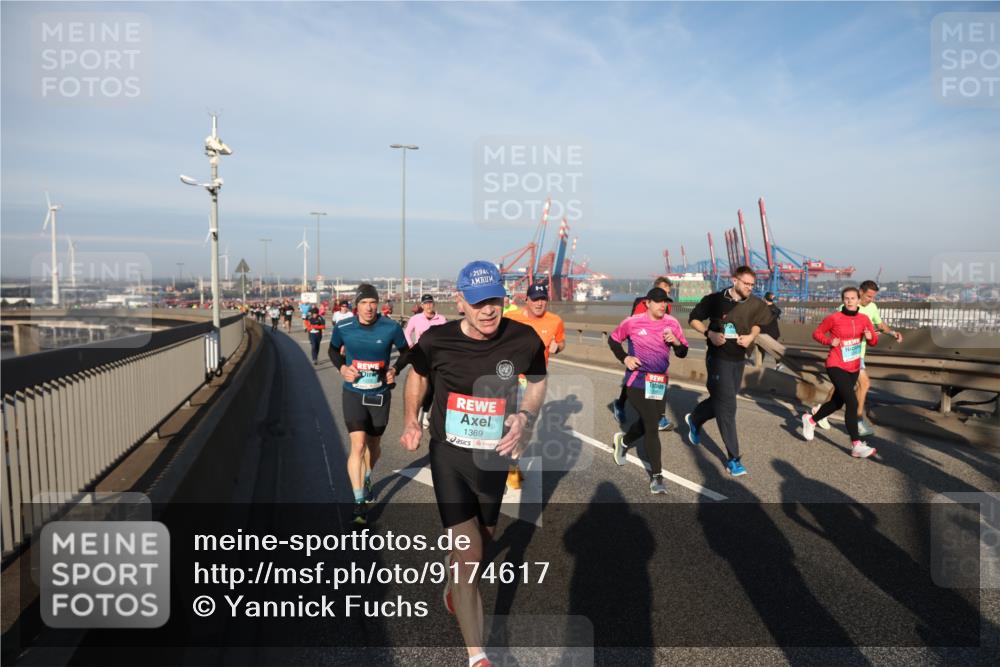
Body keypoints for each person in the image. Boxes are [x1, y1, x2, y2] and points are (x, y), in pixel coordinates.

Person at [400, 260, 546, 667]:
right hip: (449, 454)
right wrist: (411, 418)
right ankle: (477, 655)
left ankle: (455, 585)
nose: (488, 310)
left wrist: (525, 417)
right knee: (470, 554)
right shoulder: (436, 341)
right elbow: (419, 376)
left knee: (483, 540)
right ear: (460, 301)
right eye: (479, 302)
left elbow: (537, 381)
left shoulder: (524, 339)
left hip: (493, 459)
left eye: (495, 300)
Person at [328, 284, 410, 526]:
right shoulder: (344, 327)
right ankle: (359, 502)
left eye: (373, 302)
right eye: (364, 302)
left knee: (374, 446)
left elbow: (407, 352)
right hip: (353, 393)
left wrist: (395, 368)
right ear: (356, 306)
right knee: (358, 444)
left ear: (378, 304)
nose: (369, 307)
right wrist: (342, 368)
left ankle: (366, 476)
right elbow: (333, 350)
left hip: (380, 395)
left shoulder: (391, 327)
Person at [685, 266, 774, 477]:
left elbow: (759, 324)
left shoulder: (754, 303)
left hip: (738, 359)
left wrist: (751, 337)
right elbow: (693, 318)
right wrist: (709, 333)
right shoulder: (715, 300)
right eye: (746, 283)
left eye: (753, 285)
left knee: (722, 401)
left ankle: (696, 419)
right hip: (718, 358)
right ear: (735, 280)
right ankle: (733, 458)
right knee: (728, 407)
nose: (750, 288)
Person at [608, 287, 688, 493]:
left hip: (658, 382)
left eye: (666, 301)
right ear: (648, 303)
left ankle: (623, 441)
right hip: (636, 381)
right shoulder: (632, 322)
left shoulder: (672, 323)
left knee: (647, 421)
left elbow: (682, 352)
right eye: (659, 301)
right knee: (652, 425)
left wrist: (677, 342)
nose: (663, 305)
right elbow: (613, 339)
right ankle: (657, 477)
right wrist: (625, 357)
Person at [811, 280, 903, 435]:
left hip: (858, 354)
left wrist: (892, 333)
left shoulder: (872, 307)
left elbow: (879, 325)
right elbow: (836, 327)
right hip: (844, 356)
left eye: (873, 297)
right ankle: (858, 423)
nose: (870, 300)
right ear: (860, 293)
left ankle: (820, 411)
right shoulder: (846, 307)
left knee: (840, 389)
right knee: (863, 385)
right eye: (868, 296)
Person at [801, 287, 879, 459]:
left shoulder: (864, 319)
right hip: (835, 364)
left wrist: (869, 336)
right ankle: (856, 445)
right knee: (851, 402)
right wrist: (829, 341)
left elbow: (874, 341)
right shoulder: (834, 318)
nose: (849, 301)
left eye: (853, 298)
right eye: (846, 298)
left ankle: (811, 420)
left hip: (853, 366)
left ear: (858, 300)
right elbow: (817, 333)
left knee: (837, 402)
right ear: (843, 300)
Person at [502, 282, 566, 490]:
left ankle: (513, 461)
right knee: (508, 421)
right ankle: (508, 464)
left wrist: (558, 347)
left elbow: (561, 341)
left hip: (536, 380)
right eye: (535, 299)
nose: (540, 303)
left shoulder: (555, 321)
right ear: (526, 300)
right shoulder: (511, 318)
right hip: (511, 378)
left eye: (543, 299)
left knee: (527, 425)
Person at [613, 276, 674, 430]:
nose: (665, 300)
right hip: (640, 346)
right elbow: (635, 326)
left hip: (659, 350)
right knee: (635, 380)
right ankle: (621, 405)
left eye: (668, 294)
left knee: (658, 378)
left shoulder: (666, 306)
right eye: (663, 293)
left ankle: (658, 417)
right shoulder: (642, 305)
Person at [404, 294, 448, 429]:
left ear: (433, 304)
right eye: (426, 303)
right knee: (421, 386)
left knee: (433, 387)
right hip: (421, 356)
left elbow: (447, 335)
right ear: (422, 305)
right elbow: (407, 332)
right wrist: (411, 345)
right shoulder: (416, 318)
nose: (428, 306)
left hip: (437, 357)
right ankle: (417, 413)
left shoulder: (441, 319)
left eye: (430, 303)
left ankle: (424, 415)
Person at [761, 291, 783, 371]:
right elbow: (777, 312)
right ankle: (778, 364)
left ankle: (759, 365)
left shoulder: (763, 308)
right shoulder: (775, 308)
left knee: (761, 349)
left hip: (765, 332)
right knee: (774, 349)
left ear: (765, 299)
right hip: (773, 332)